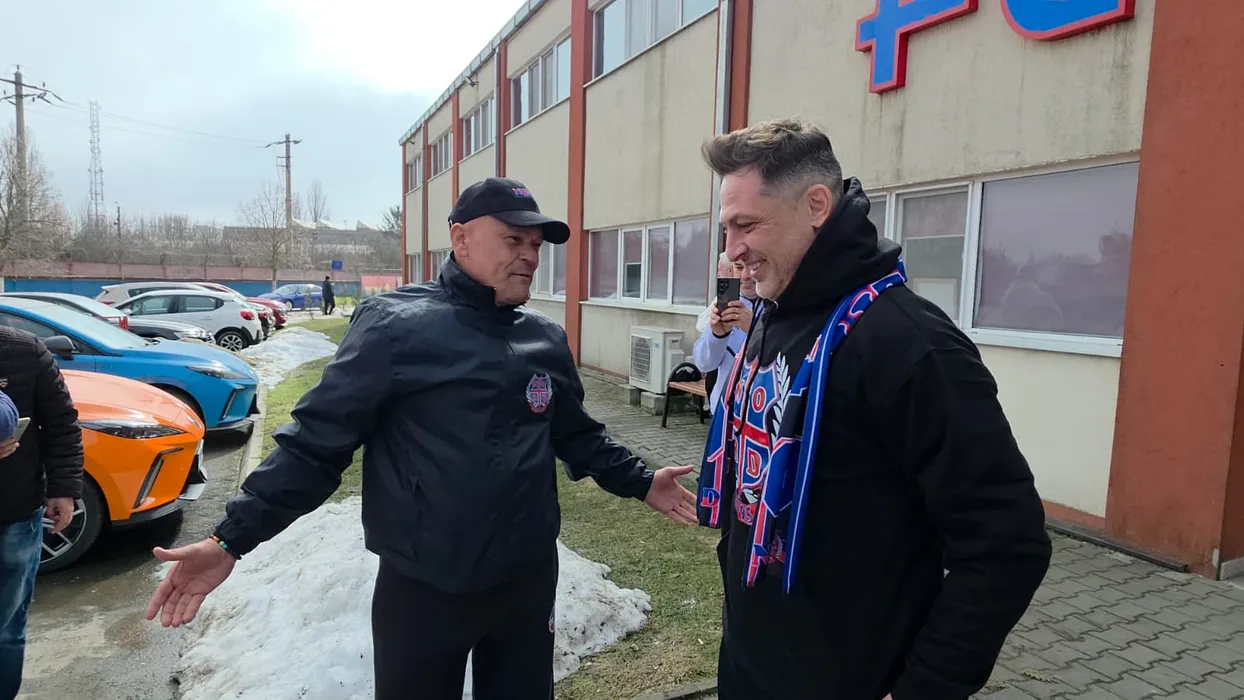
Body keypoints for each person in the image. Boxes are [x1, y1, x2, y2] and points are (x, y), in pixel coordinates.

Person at [145, 176, 698, 700]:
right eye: (514, 239)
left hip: (527, 580)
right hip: (426, 587)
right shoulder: (395, 327)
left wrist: (641, 480)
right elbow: (315, 446)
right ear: (460, 237)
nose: (530, 256)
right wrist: (230, 540)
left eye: (536, 244)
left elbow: (577, 435)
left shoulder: (544, 338)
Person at [696, 119, 1051, 699]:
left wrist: (923, 689)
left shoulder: (909, 341)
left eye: (747, 225)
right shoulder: (773, 314)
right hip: (754, 669)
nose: (732, 251)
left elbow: (1006, 544)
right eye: (726, 227)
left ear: (816, 205)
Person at [0, 326, 84, 700]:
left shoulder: (25, 350)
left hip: (16, 513)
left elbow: (61, 423)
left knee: (7, 629)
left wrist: (63, 489)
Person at [692, 252, 757, 414]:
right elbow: (704, 363)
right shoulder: (726, 303)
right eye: (739, 267)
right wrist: (717, 335)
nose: (745, 275)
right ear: (731, 270)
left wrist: (755, 329)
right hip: (724, 410)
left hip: (758, 412)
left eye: (752, 267)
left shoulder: (780, 306)